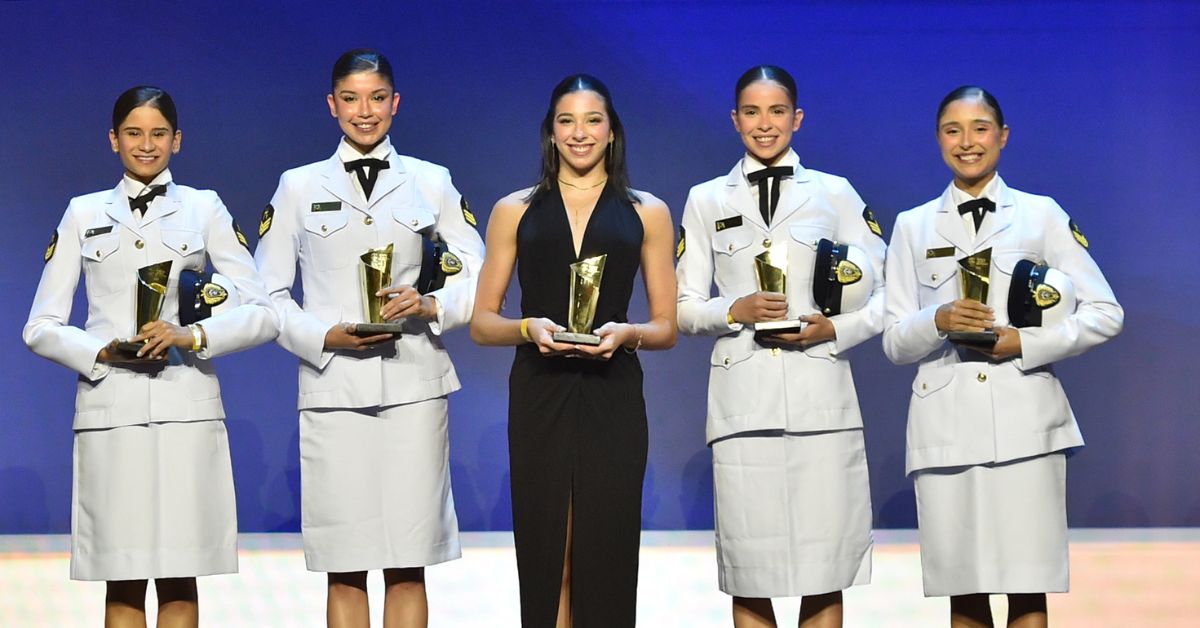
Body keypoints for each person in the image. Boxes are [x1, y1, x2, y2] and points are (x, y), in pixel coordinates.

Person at [23, 85, 278, 627]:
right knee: (122, 578)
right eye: (134, 133)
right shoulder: (82, 213)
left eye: (158, 133)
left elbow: (262, 310)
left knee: (181, 577)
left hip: (186, 408)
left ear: (177, 141)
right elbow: (40, 326)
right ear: (113, 140)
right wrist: (103, 350)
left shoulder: (204, 207)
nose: (146, 145)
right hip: (110, 414)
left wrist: (191, 335)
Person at [252, 49, 484, 628]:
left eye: (377, 98)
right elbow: (266, 294)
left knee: (411, 559)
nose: (365, 111)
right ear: (332, 106)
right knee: (345, 561)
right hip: (334, 389)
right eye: (351, 99)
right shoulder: (298, 186)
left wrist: (432, 303)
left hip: (414, 381)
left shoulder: (432, 181)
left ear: (395, 103)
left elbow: (479, 278)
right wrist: (322, 335)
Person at [882, 85, 1124, 628]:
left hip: (1026, 422)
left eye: (980, 128)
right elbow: (895, 340)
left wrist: (1027, 343)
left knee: (1026, 587)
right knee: (962, 591)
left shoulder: (1041, 215)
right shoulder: (912, 225)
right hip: (945, 426)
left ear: (1003, 136)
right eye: (952, 130)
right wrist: (936, 320)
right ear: (938, 139)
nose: (966, 142)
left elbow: (1106, 312)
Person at [676, 65, 884, 628]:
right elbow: (681, 305)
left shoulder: (835, 192)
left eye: (775, 111)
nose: (763, 124)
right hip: (744, 399)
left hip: (820, 390)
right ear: (734, 119)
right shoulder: (703, 198)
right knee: (751, 567)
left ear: (797, 117)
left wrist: (834, 330)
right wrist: (731, 311)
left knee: (825, 566)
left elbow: (888, 295)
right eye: (751, 111)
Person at [470, 74, 676, 627]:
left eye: (592, 120)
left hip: (613, 392)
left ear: (612, 132)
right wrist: (527, 327)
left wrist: (626, 334)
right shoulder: (513, 209)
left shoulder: (647, 211)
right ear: (550, 131)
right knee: (546, 548)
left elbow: (666, 327)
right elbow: (482, 322)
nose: (579, 133)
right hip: (540, 388)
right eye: (566, 120)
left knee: (605, 548)